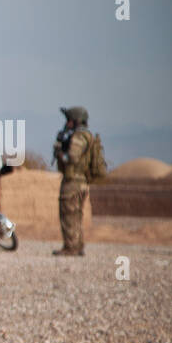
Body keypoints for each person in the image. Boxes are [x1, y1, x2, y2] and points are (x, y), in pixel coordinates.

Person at [53, 105, 104, 256]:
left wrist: (60, 152)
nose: (67, 123)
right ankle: (77, 245)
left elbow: (72, 157)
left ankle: (71, 247)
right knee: (76, 215)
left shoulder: (79, 137)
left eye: (69, 120)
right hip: (81, 182)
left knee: (69, 214)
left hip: (73, 182)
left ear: (76, 121)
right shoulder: (87, 136)